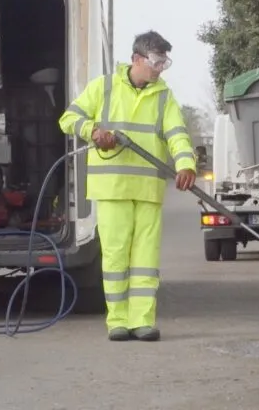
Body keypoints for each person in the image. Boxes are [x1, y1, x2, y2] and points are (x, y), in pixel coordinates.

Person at [58, 30, 197, 342]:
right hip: (112, 189)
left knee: (146, 260)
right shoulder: (104, 88)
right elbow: (69, 118)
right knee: (116, 256)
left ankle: (143, 321)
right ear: (137, 59)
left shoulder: (163, 95)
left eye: (165, 62)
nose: (160, 68)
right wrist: (93, 130)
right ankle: (118, 321)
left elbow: (177, 133)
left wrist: (186, 163)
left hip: (148, 190)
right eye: (156, 61)